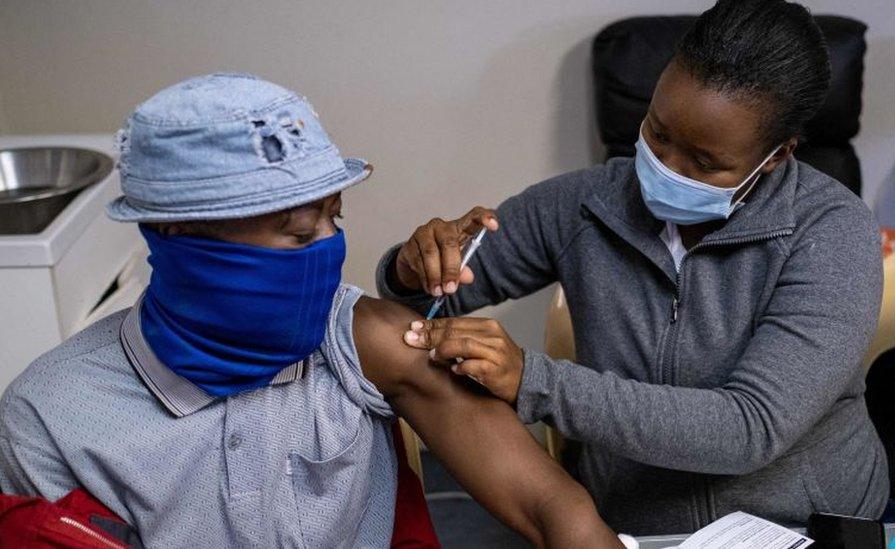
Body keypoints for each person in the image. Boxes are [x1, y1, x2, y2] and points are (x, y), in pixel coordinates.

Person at [0, 74, 624, 548]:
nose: (328, 248)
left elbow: (550, 506)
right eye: (299, 233)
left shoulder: (360, 340)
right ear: (178, 232)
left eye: (336, 217)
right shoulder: (53, 415)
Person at [378, 0, 888, 535]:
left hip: (800, 527)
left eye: (705, 162)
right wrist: (413, 270)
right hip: (625, 525)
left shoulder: (832, 232)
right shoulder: (583, 205)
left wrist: (534, 381)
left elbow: (748, 427)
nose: (666, 169)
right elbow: (418, 308)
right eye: (659, 133)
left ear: (777, 155)